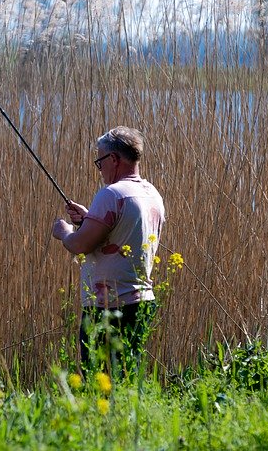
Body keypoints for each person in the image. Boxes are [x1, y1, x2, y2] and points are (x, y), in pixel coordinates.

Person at [52, 126, 165, 375]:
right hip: (141, 304)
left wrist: (65, 232)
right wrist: (89, 220)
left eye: (100, 161)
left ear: (113, 159)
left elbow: (80, 245)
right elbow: (122, 231)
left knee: (99, 379)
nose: (100, 168)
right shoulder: (151, 194)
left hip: (109, 306)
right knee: (126, 377)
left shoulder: (112, 194)